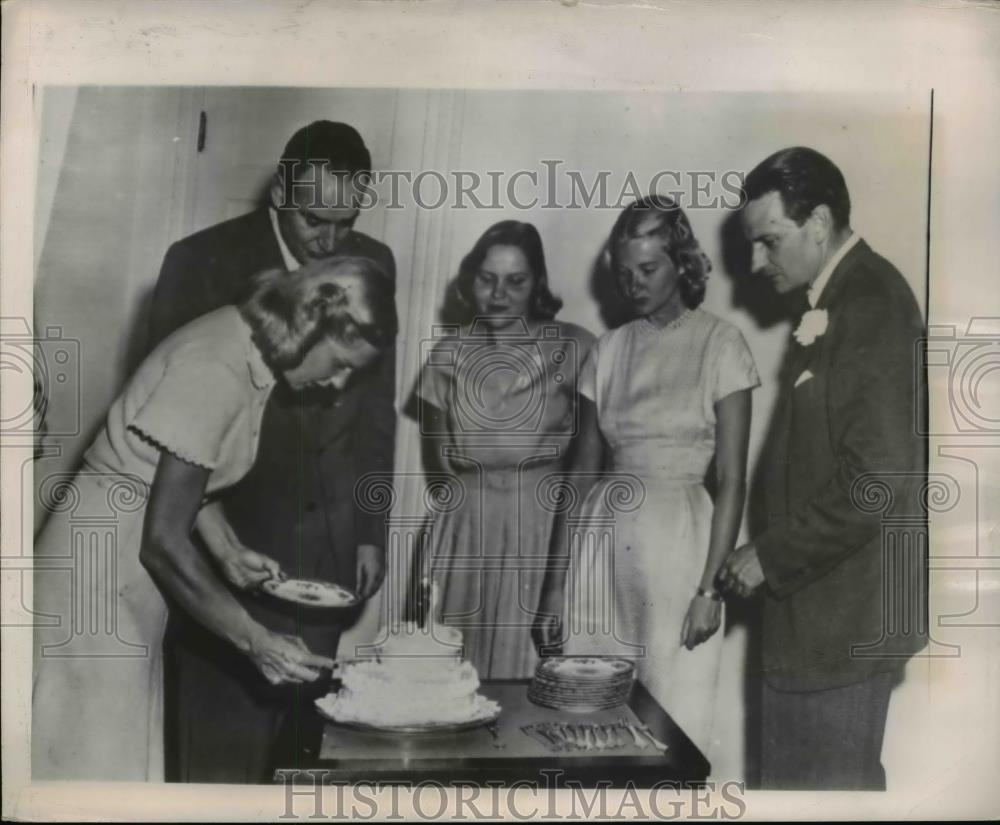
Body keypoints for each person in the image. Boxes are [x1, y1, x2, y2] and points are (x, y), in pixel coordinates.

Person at [32, 257, 398, 781]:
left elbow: (176, 478)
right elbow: (162, 541)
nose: (338, 384)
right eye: (340, 363)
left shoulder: (249, 346)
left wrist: (226, 549)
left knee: (115, 752)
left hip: (122, 562)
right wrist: (257, 640)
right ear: (311, 328)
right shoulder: (216, 367)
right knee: (90, 761)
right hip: (97, 567)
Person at [147, 121, 397, 782]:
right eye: (317, 219)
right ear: (283, 193)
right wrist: (217, 544)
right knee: (222, 760)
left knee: (300, 763)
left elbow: (375, 411)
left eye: (348, 220)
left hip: (328, 549)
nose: (332, 240)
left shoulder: (376, 262)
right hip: (228, 540)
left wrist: (370, 528)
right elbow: (170, 429)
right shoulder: (200, 261)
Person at [718, 147, 927, 790]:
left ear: (819, 222)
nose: (757, 263)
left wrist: (770, 555)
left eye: (769, 242)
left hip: (842, 628)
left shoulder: (872, 300)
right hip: (816, 623)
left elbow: (878, 482)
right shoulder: (838, 297)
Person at [534, 196, 759, 755]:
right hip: (600, 545)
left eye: (649, 269)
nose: (634, 284)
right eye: (624, 272)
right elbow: (579, 475)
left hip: (681, 546)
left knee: (671, 716)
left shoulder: (721, 343)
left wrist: (710, 589)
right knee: (590, 717)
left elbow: (732, 478)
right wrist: (555, 587)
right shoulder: (607, 350)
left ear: (682, 263)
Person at [415, 220, 594, 679]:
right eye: (486, 279)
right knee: (450, 676)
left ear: (537, 284)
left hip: (540, 525)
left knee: (524, 674)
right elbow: (437, 463)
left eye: (516, 281)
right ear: (470, 280)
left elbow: (594, 455)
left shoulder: (574, 347)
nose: (499, 294)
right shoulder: (447, 354)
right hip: (465, 528)